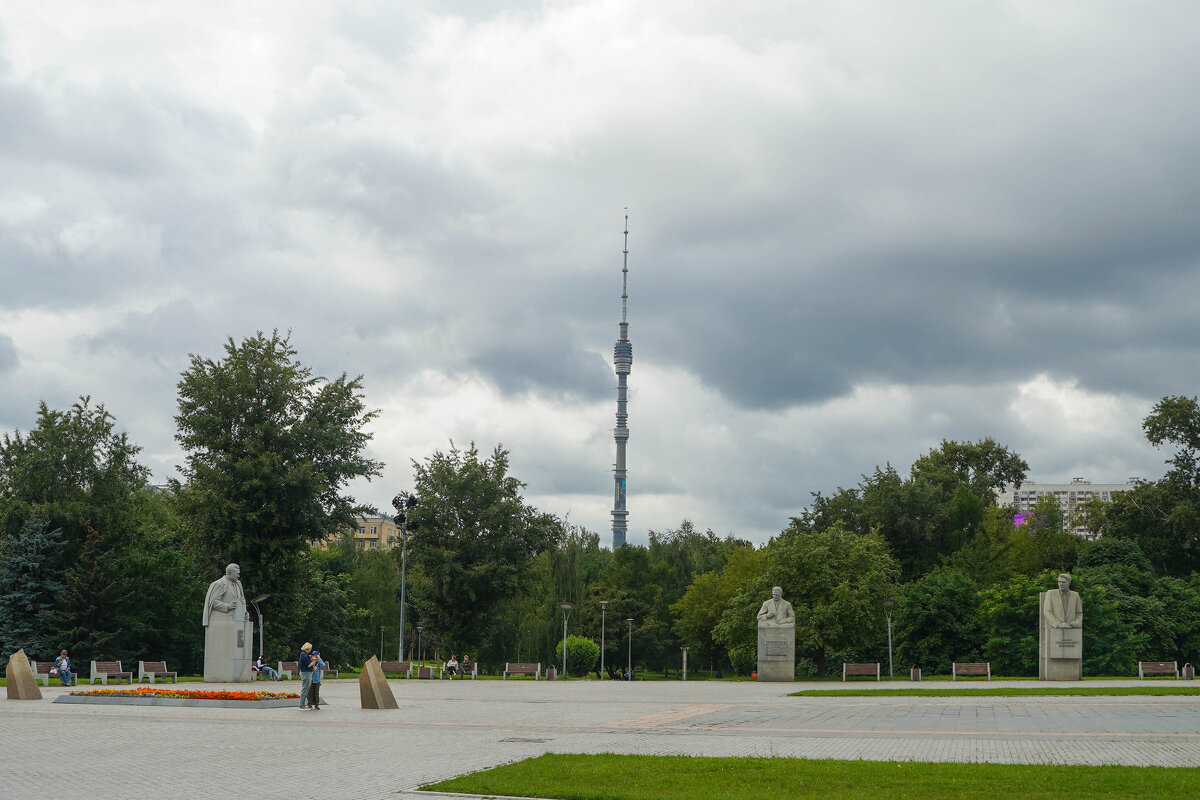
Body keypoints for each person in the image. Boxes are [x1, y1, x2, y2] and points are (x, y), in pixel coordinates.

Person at [298, 643, 314, 710]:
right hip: (306, 673)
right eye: (310, 648)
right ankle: (301, 705)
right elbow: (309, 665)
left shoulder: (304, 654)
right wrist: (314, 660)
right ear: (308, 648)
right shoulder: (304, 655)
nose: (310, 650)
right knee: (305, 690)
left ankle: (302, 705)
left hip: (305, 673)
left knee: (305, 689)